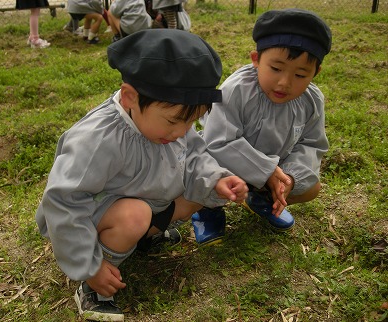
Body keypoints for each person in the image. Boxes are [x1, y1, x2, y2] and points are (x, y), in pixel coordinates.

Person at [35, 29, 248, 321]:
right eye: (174, 122)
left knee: (199, 192)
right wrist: (90, 265)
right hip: (95, 216)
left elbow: (195, 153)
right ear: (129, 97)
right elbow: (64, 201)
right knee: (133, 215)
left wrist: (217, 179)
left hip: (150, 199)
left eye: (191, 122)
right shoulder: (99, 139)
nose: (180, 133)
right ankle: (95, 284)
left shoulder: (173, 124)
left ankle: (143, 237)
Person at [192, 9, 332, 245]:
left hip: (274, 171)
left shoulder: (312, 101)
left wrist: (288, 178)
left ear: (315, 73)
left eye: (300, 74)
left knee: (312, 188)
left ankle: (262, 200)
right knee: (204, 178)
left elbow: (311, 144)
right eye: (276, 69)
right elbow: (218, 142)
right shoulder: (236, 89)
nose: (284, 83)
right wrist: (266, 171)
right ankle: (208, 211)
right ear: (256, 59)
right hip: (226, 167)